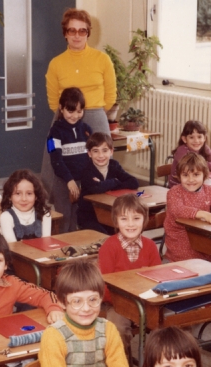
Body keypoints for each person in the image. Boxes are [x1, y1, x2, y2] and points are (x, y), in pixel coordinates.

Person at [42, 8, 116, 231]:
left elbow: (111, 96)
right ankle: (64, 228)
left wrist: (90, 114)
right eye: (72, 30)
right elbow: (53, 101)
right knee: (57, 172)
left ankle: (94, 228)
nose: (77, 35)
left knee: (96, 174)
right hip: (65, 120)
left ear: (88, 33)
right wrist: (70, 117)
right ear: (65, 33)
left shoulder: (102, 60)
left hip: (95, 116)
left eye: (82, 31)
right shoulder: (56, 63)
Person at [99, 194, 161, 351]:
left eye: (136, 218)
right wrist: (131, 309)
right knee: (117, 328)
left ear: (144, 219)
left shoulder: (151, 246)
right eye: (124, 219)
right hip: (115, 303)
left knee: (169, 323)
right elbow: (105, 288)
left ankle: (158, 365)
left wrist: (145, 307)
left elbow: (157, 281)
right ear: (116, 221)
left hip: (146, 302)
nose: (131, 224)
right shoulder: (109, 247)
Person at [47, 87, 93, 232]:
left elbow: (91, 157)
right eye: (70, 111)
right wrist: (69, 180)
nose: (75, 116)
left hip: (81, 183)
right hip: (63, 183)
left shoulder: (87, 130)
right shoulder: (53, 133)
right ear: (61, 108)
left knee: (78, 218)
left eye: (79, 111)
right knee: (64, 219)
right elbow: (55, 160)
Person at [78, 132, 139, 233]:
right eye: (95, 151)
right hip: (89, 216)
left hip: (110, 213)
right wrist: (115, 181)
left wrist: (107, 184)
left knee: (124, 232)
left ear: (111, 151)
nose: (100, 155)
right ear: (89, 154)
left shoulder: (114, 165)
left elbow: (133, 182)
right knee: (104, 237)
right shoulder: (86, 170)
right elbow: (96, 188)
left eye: (105, 150)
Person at [0, 169, 52, 243]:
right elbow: (13, 248)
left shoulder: (44, 214)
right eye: (18, 194)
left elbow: (46, 243)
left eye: (29, 193)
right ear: (9, 196)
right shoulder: (6, 217)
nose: (24, 199)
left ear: (36, 196)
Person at [168, 120, 211, 186]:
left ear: (204, 138)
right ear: (184, 139)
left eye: (199, 137)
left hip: (194, 184)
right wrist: (202, 166)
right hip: (178, 186)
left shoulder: (204, 147)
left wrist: (201, 165)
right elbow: (191, 169)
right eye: (191, 137)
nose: (196, 141)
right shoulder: (182, 151)